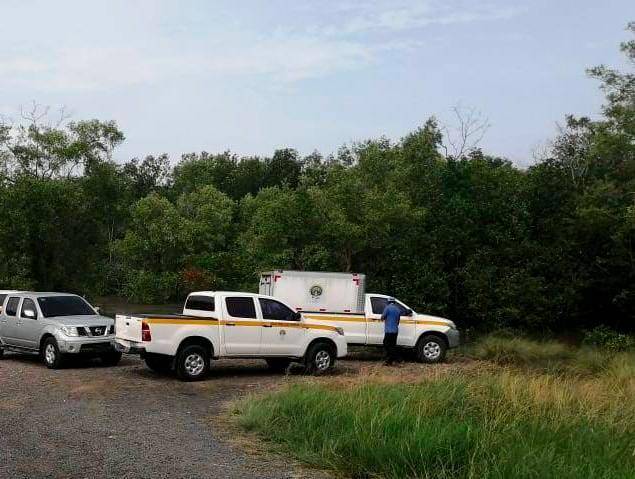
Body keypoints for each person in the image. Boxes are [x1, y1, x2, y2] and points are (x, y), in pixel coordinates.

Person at [381, 297, 402, 365]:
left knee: (387, 345)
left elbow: (382, 317)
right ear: (394, 302)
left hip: (388, 331)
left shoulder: (387, 308)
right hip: (395, 331)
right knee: (393, 345)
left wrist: (384, 319)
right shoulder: (398, 309)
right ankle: (389, 361)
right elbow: (398, 322)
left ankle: (398, 359)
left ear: (388, 302)